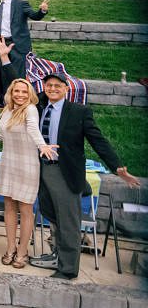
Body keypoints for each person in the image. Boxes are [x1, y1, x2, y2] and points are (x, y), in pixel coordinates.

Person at [16, 69, 141, 279]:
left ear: (66, 89)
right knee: (50, 214)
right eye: (49, 85)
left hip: (64, 172)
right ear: (44, 88)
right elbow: (16, 86)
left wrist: (117, 167)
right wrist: (4, 59)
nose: (53, 89)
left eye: (57, 86)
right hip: (41, 169)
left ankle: (67, 269)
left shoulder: (79, 112)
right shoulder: (38, 108)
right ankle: (57, 254)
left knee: (68, 221)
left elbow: (98, 140)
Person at [0, 78, 57, 268]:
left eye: (24, 91)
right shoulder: (7, 110)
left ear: (29, 94)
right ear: (11, 93)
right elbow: (5, 133)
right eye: (17, 91)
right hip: (8, 163)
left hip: (27, 164)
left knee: (25, 209)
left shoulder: (30, 109)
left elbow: (32, 130)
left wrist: (42, 146)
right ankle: (10, 247)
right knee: (9, 207)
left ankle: (22, 251)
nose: (20, 95)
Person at [0, 0, 49, 66]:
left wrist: (42, 10)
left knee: (18, 71)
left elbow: (34, 16)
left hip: (17, 43)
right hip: (2, 43)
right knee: (4, 70)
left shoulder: (21, 4)